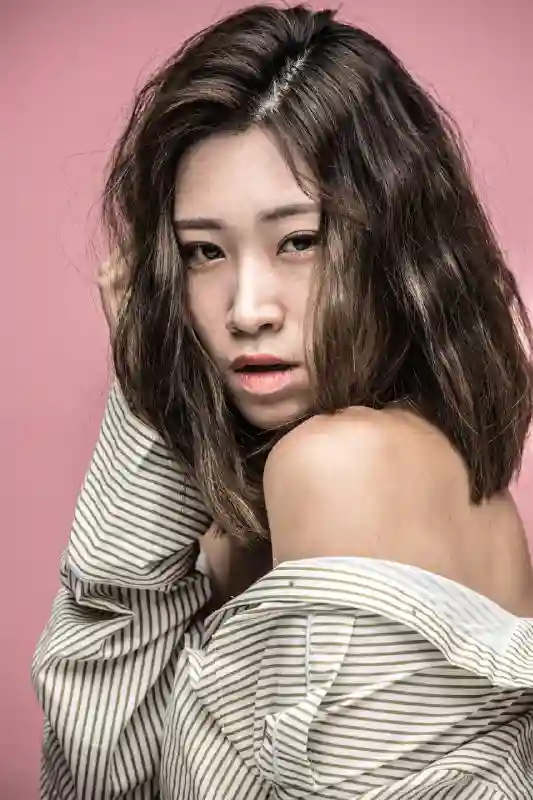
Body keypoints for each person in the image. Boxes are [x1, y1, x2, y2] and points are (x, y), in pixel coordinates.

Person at [32, 4, 533, 798]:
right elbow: (101, 764)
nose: (246, 309)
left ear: (395, 246)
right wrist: (150, 376)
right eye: (204, 252)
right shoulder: (309, 503)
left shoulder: (340, 468)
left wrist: (145, 383)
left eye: (299, 240)